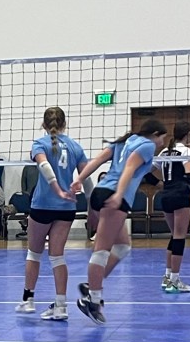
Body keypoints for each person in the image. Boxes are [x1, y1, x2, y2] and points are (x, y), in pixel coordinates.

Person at [72, 118, 168, 324]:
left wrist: (79, 179)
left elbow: (97, 160)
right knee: (101, 249)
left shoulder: (126, 141)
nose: (163, 143)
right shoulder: (147, 145)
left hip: (100, 191)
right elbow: (129, 169)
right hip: (115, 196)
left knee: (122, 246)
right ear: (155, 134)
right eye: (163, 137)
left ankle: (92, 285)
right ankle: (93, 301)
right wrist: (118, 194)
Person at [15, 107, 87, 320]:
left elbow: (44, 165)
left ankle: (28, 300)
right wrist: (94, 206)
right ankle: (61, 306)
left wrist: (56, 189)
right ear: (64, 124)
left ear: (44, 125)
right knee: (57, 256)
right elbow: (87, 175)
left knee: (34, 253)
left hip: (43, 204)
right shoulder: (75, 146)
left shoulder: (40, 143)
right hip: (67, 208)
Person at [155, 122, 190, 293]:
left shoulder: (164, 152)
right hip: (180, 195)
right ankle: (175, 281)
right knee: (179, 237)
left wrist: (160, 184)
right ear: (188, 134)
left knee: (174, 236)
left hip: (165, 196)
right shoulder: (186, 151)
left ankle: (168, 277)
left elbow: (147, 172)